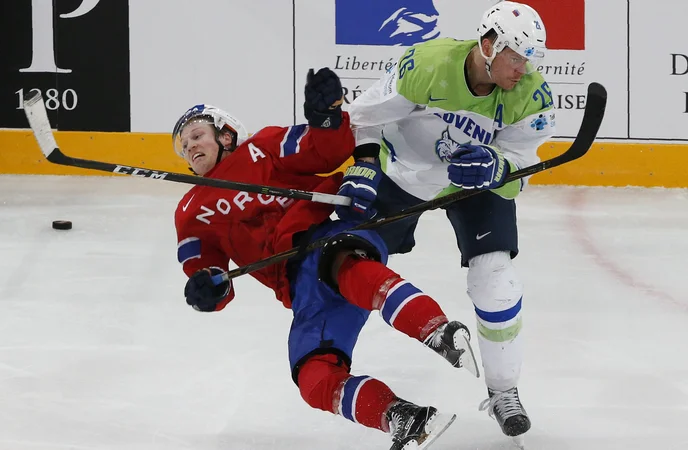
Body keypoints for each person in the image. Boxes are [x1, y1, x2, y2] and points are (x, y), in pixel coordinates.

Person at [172, 68, 478, 450]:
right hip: (299, 287)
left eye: (197, 135)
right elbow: (207, 272)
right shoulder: (189, 211)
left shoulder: (262, 147)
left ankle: (437, 330)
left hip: (328, 235)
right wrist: (207, 288)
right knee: (312, 377)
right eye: (184, 146)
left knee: (345, 267)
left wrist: (326, 119)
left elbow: (328, 149)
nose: (190, 147)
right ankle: (402, 417)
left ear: (227, 134)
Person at [340, 1, 557, 439]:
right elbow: (362, 118)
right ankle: (336, 366)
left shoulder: (531, 95)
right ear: (489, 44)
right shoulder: (426, 65)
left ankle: (504, 391)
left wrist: (499, 167)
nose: (523, 68)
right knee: (347, 262)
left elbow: (520, 169)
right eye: (516, 56)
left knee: (495, 277)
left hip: (474, 186)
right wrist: (365, 168)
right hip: (405, 176)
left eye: (530, 57)